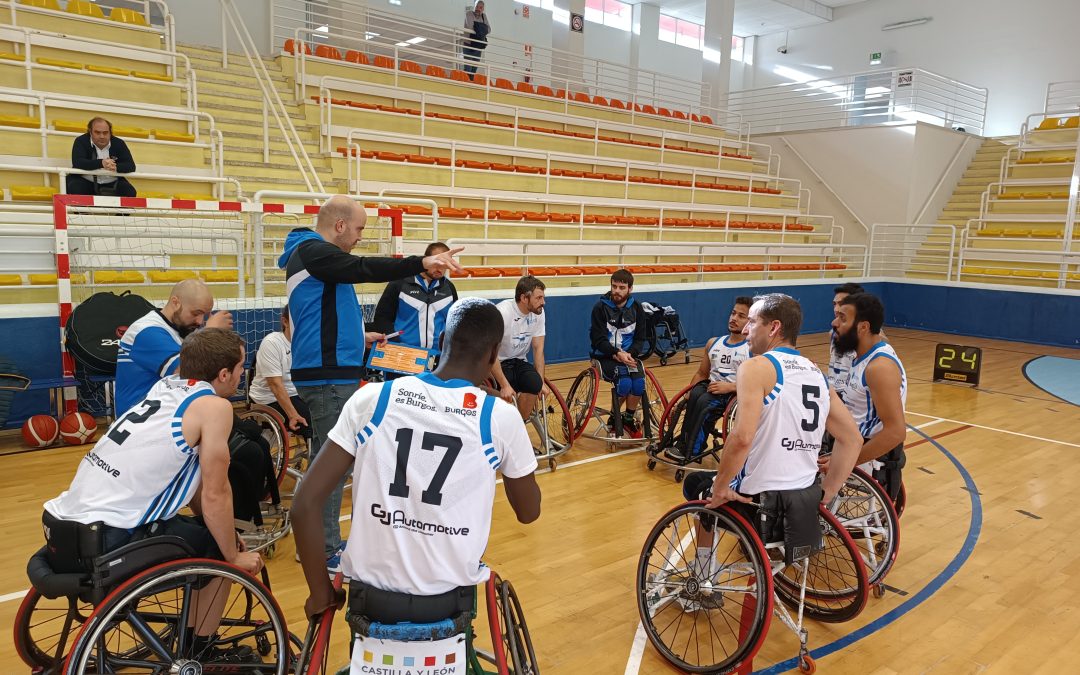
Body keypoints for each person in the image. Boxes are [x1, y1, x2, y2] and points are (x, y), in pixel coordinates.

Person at [292, 299, 541, 658]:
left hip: (370, 600)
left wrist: (320, 593)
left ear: (441, 340)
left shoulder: (373, 398)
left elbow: (304, 504)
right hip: (447, 601)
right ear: (493, 356)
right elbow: (528, 513)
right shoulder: (498, 418)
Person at [43, 329, 263, 662]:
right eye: (241, 366)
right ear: (223, 374)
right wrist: (231, 555)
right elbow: (216, 493)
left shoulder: (165, 388)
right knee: (218, 557)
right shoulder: (215, 407)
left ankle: (191, 629)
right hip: (107, 537)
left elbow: (190, 487)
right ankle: (201, 650)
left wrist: (227, 533)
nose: (242, 374)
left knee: (212, 536)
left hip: (62, 524)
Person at [280, 195, 464, 574]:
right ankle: (323, 548)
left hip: (331, 366)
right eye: (360, 228)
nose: (361, 237)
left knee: (324, 463)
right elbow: (362, 267)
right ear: (341, 225)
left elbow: (322, 313)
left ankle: (317, 541)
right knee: (331, 466)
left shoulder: (315, 258)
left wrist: (356, 336)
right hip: (327, 374)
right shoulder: (315, 251)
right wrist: (421, 262)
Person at [681, 294, 863, 575]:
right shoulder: (816, 373)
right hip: (803, 500)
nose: (744, 330)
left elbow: (741, 438)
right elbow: (852, 439)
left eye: (752, 322)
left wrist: (720, 488)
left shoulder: (756, 368)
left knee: (697, 485)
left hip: (760, 503)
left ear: (774, 327)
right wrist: (827, 494)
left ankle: (703, 571)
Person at [826, 292, 908, 500]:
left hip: (868, 458)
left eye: (843, 318)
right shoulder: (864, 352)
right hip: (850, 443)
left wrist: (845, 460)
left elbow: (896, 432)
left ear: (863, 327)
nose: (835, 322)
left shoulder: (879, 368)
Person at [115, 278, 233, 414]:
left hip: (163, 412)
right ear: (175, 302)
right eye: (195, 313)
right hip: (139, 420)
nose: (200, 321)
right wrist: (210, 332)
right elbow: (189, 374)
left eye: (204, 315)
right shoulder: (146, 331)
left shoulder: (180, 328)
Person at [663, 296, 752, 461]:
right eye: (733, 313)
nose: (734, 318)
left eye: (741, 316)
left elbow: (755, 382)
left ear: (750, 321)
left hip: (732, 394)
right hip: (711, 389)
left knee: (704, 402)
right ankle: (680, 442)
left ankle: (693, 449)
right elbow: (702, 374)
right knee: (696, 395)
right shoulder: (713, 343)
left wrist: (731, 387)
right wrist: (689, 391)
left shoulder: (751, 349)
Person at [372, 241, 459, 365]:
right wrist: (396, 344)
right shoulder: (399, 283)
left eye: (444, 264)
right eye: (436, 263)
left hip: (437, 359)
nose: (440, 269)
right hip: (402, 356)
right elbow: (382, 317)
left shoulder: (449, 288)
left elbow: (454, 323)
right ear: (426, 260)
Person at [589, 269, 647, 437]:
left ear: (630, 289)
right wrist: (616, 353)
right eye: (614, 286)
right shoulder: (600, 307)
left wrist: (630, 354)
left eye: (622, 287)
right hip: (604, 356)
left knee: (638, 382)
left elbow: (640, 338)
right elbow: (598, 340)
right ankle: (615, 419)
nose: (617, 291)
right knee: (625, 382)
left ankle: (627, 419)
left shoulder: (637, 309)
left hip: (628, 355)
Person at [249, 304, 311, 442]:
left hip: (297, 393)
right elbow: (275, 385)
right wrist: (293, 414)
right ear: (285, 322)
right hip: (269, 398)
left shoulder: (306, 343)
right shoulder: (272, 342)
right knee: (310, 420)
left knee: (327, 413)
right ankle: (317, 459)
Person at [491, 275, 547, 422]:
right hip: (497, 363)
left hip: (519, 361)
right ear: (524, 298)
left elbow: (538, 349)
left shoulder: (538, 313)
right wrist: (504, 385)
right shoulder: (502, 313)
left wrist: (541, 383)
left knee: (534, 383)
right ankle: (503, 426)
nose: (543, 302)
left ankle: (519, 423)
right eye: (539, 298)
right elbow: (491, 354)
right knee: (507, 388)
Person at [67, 117, 137, 197]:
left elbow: (131, 166)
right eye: (97, 132)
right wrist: (101, 163)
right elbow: (78, 162)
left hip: (112, 182)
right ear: (90, 132)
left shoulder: (119, 143)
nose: (102, 136)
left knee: (129, 192)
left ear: (110, 132)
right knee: (75, 187)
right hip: (85, 180)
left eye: (105, 133)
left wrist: (116, 167)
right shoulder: (81, 140)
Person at [462, 0, 490, 79]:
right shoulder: (469, 14)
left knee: (474, 69)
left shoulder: (484, 16)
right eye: (477, 6)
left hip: (478, 45)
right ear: (474, 6)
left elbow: (489, 29)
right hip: (468, 45)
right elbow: (471, 27)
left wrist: (478, 27)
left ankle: (470, 85)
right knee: (468, 68)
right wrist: (482, 28)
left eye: (480, 7)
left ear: (483, 9)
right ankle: (466, 84)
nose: (478, 9)